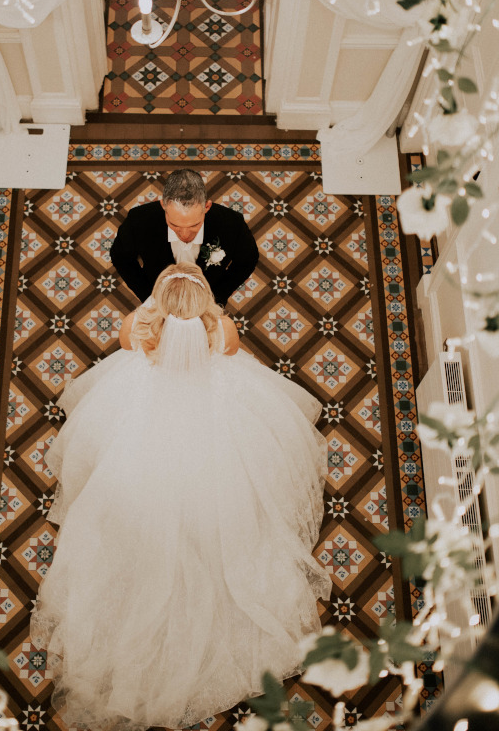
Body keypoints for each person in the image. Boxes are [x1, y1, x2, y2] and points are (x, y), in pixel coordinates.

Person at [31, 263, 331, 730]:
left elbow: (129, 342)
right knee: (222, 513)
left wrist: (154, 308)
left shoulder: (139, 329)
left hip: (145, 433)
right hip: (211, 436)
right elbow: (227, 352)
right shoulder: (222, 332)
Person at [110, 168, 259, 307]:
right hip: (159, 299)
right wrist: (150, 297)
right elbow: (121, 257)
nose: (184, 235)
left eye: (194, 225)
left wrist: (216, 298)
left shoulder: (232, 224)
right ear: (163, 206)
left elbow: (247, 260)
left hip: (207, 301)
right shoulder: (139, 220)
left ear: (206, 207)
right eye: (174, 225)